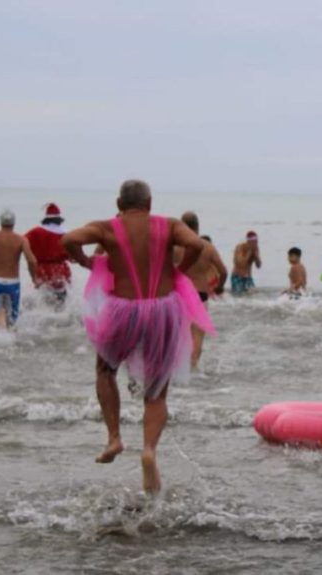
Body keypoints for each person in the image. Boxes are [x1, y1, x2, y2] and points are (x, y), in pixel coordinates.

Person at [61, 180, 213, 493]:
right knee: (156, 390)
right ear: (150, 202)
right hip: (163, 310)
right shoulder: (169, 225)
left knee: (105, 370)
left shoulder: (107, 227)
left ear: (119, 203)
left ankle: (114, 437)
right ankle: (148, 451)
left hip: (123, 310)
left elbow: (69, 238)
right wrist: (177, 270)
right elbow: (196, 244)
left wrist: (88, 262)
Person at [179, 211, 228, 369]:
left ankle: (176, 371)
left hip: (178, 295)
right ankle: (192, 369)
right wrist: (219, 287)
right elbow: (223, 271)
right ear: (198, 228)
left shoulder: (174, 246)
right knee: (197, 336)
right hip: (200, 295)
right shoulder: (207, 247)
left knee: (178, 335)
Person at [0, 210, 38, 328]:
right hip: (13, 282)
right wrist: (33, 278)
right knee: (13, 319)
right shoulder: (21, 239)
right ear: (14, 223)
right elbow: (32, 260)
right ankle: (9, 339)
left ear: (0, 223)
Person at [25, 203, 72, 306]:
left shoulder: (35, 232)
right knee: (62, 301)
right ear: (59, 219)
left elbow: (22, 244)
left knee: (43, 302)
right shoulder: (66, 233)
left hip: (42, 270)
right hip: (61, 269)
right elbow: (73, 257)